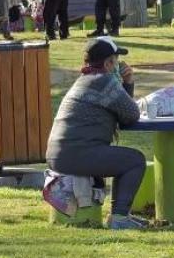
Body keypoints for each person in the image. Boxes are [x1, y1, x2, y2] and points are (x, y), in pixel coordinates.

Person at [46, 37, 147, 230]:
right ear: (108, 63)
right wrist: (128, 82)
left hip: (60, 154)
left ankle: (119, 215)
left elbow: (124, 113)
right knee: (134, 161)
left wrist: (124, 85)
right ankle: (119, 218)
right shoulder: (105, 81)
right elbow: (131, 115)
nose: (118, 65)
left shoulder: (86, 79)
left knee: (123, 160)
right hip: (75, 155)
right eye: (116, 61)